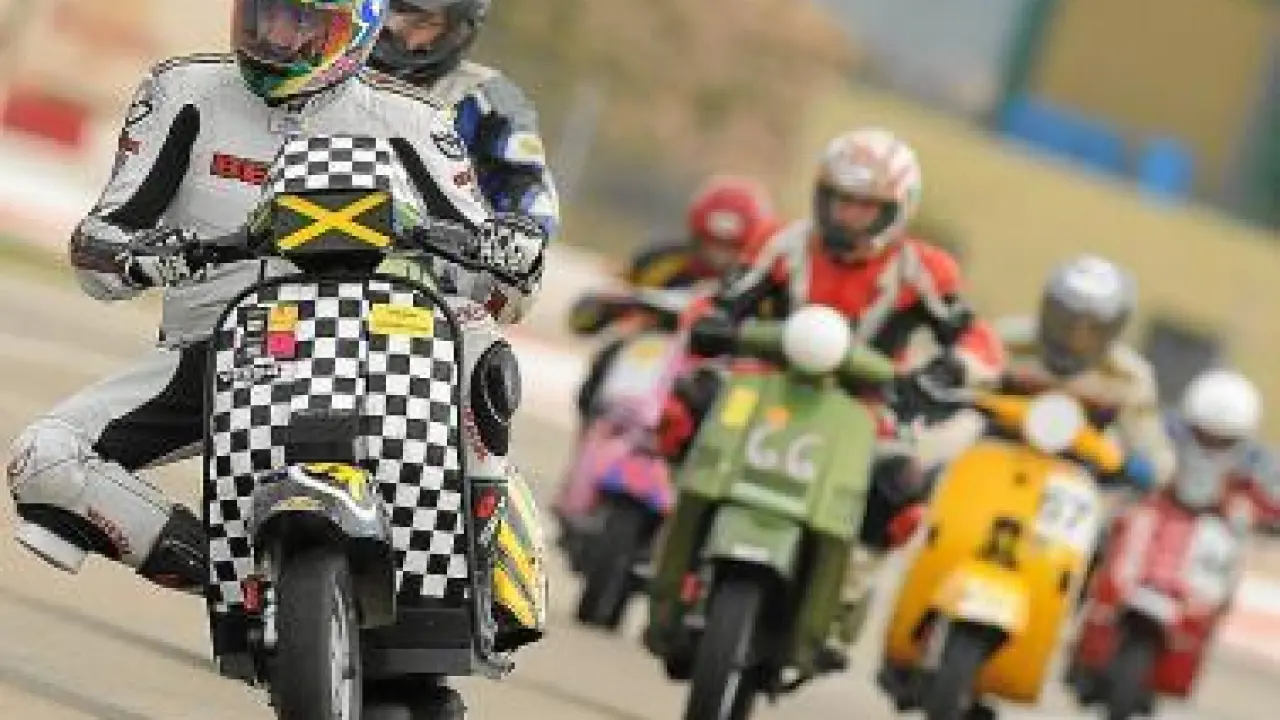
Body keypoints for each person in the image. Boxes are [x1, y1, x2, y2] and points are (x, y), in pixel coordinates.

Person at [5, 1, 547, 715]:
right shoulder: (181, 92)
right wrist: (139, 257)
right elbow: (97, 248)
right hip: (219, 349)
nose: (274, 40)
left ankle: (483, 556)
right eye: (263, 15)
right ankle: (226, 572)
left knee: (477, 338)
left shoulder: (414, 120)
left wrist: (512, 252)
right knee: (42, 459)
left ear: (356, 30)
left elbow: (498, 280)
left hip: (375, 340)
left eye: (302, 25)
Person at [660, 127, 1006, 666]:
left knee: (901, 485)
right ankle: (676, 542)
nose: (847, 216)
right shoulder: (780, 242)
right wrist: (711, 322)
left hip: (868, 409)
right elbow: (721, 299)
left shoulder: (924, 270)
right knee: (691, 402)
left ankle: (844, 597)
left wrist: (948, 369)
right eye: (839, 200)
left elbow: (977, 339)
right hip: (768, 382)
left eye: (864, 207)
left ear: (896, 209)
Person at [568, 175, 779, 426]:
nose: (718, 257)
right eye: (711, 245)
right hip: (653, 353)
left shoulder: (763, 283)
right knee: (612, 354)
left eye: (729, 248)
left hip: (722, 370)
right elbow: (594, 311)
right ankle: (603, 430)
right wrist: (606, 306)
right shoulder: (659, 261)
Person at [368, 0, 558, 240]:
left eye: (421, 22)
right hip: (332, 227)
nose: (391, 27)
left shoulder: (484, 98)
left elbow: (528, 189)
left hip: (423, 250)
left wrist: (513, 236)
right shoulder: (333, 66)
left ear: (455, 33)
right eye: (388, 10)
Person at [995, 255, 1175, 484]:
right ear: (1047, 311)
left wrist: (1142, 467)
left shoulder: (1127, 378)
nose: (1076, 336)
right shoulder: (1006, 343)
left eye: (1094, 328)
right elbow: (966, 384)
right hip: (992, 457)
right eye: (1066, 320)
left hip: (1076, 485)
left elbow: (1155, 454)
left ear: (1114, 329)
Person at [1170, 369, 1280, 525]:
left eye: (1225, 442)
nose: (1211, 453)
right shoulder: (1164, 450)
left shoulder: (1258, 467)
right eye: (1203, 438)